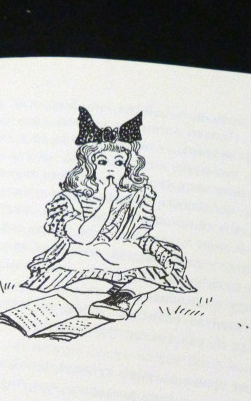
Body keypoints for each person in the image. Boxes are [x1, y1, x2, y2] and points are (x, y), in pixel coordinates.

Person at [22, 107, 195, 317]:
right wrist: (107, 201)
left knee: (159, 270)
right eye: (102, 162)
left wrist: (158, 252)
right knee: (82, 280)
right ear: (89, 167)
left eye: (119, 162)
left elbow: (138, 236)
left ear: (128, 168)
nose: (111, 168)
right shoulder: (71, 199)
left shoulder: (137, 196)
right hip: (85, 253)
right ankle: (118, 298)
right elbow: (82, 237)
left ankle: (120, 298)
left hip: (124, 255)